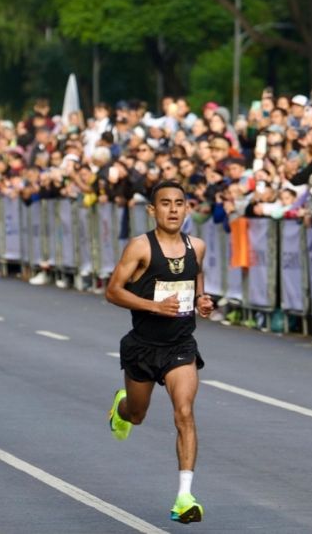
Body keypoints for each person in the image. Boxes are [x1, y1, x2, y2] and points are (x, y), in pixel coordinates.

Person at [104, 180, 214, 524]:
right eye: (165, 203)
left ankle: (185, 496)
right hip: (143, 346)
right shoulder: (140, 248)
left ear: (186, 208)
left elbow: (196, 282)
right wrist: (153, 306)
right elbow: (112, 292)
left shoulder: (197, 246)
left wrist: (202, 301)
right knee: (137, 414)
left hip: (181, 346)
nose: (172, 209)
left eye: (179, 203)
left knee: (184, 412)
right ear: (153, 210)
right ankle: (121, 408)